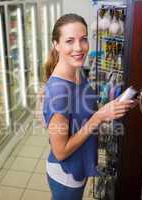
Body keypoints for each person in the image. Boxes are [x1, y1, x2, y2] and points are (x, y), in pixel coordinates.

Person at [42, 13, 136, 200]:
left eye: (83, 39)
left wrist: (110, 108)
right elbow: (60, 152)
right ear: (56, 44)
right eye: (69, 41)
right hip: (66, 176)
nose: (79, 47)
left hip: (79, 166)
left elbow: (80, 112)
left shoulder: (76, 71)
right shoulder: (59, 92)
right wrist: (98, 117)